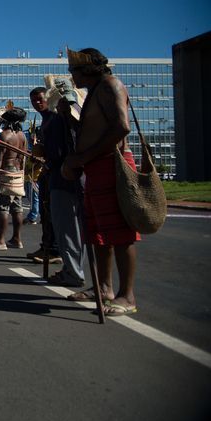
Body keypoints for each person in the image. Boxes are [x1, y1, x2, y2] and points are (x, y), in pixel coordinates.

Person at [62, 47, 140, 316]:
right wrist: (67, 116)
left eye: (72, 70)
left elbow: (121, 127)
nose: (71, 76)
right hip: (95, 168)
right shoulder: (95, 91)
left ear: (86, 69)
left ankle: (126, 295)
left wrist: (83, 157)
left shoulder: (110, 85)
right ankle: (104, 288)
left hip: (112, 165)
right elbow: (92, 130)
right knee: (98, 233)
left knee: (120, 233)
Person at [41, 84, 86, 287]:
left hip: (64, 179)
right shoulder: (76, 120)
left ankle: (73, 272)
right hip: (76, 179)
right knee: (74, 229)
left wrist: (45, 159)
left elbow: (56, 153)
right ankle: (72, 269)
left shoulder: (61, 122)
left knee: (68, 229)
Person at [0, 108, 27, 251]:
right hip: (18, 172)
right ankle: (17, 239)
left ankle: (0, 240)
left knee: (3, 206)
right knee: (17, 207)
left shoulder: (4, 135)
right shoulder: (22, 136)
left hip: (6, 171)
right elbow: (22, 157)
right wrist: (22, 173)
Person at [25, 89, 62, 265]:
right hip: (47, 171)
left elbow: (58, 148)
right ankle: (46, 247)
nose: (37, 103)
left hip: (56, 172)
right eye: (33, 101)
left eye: (40, 99)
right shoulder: (45, 120)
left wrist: (46, 160)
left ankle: (54, 250)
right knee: (45, 214)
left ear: (48, 99)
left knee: (52, 213)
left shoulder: (55, 118)